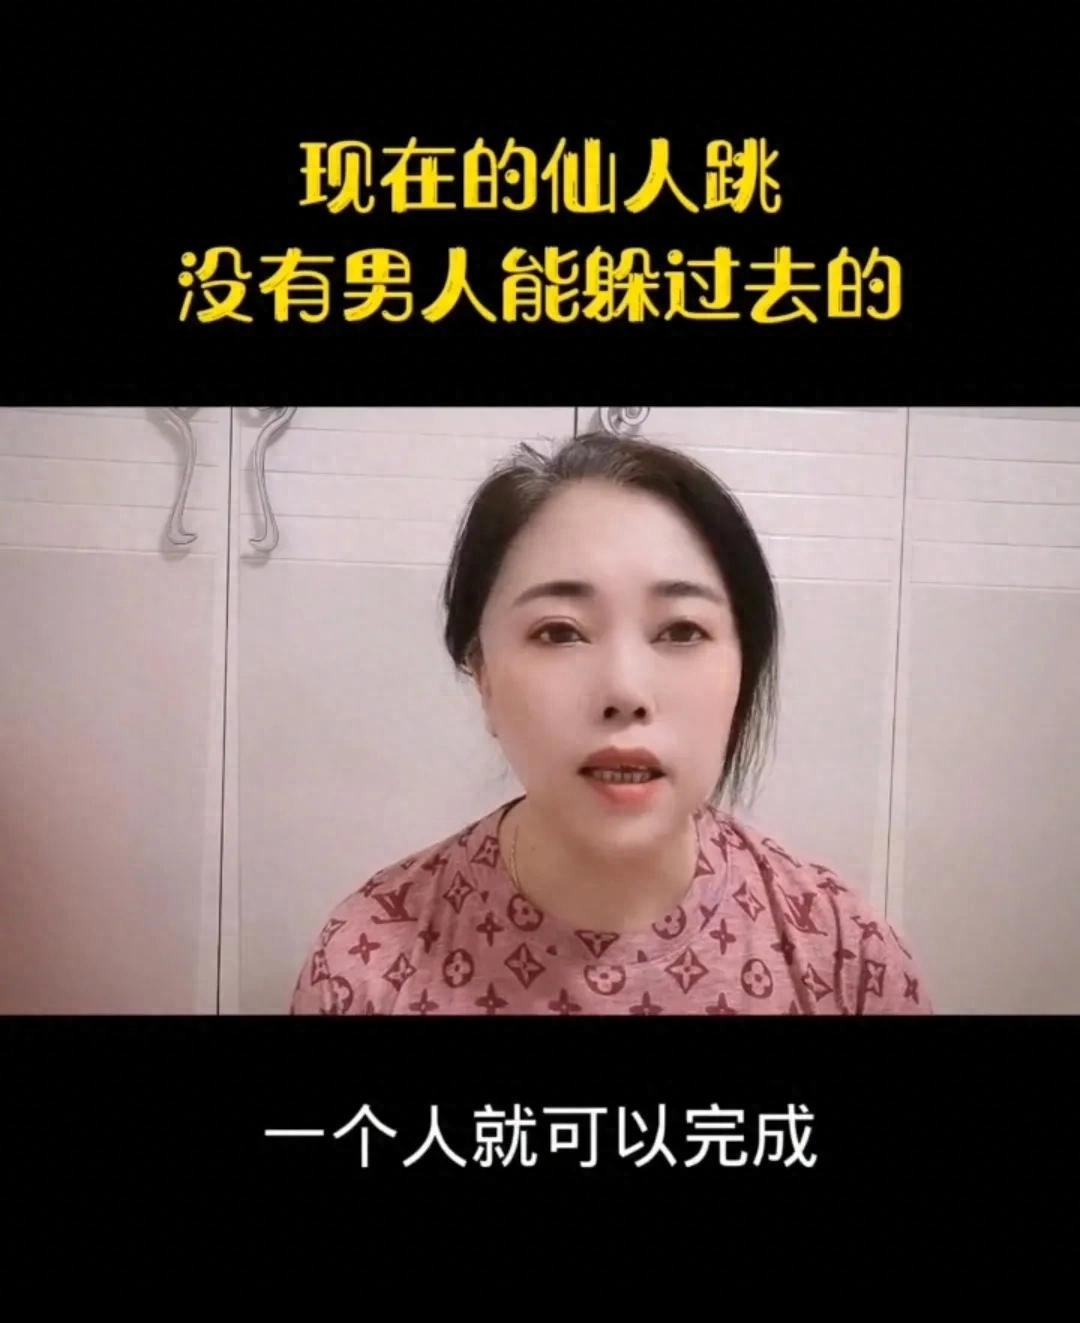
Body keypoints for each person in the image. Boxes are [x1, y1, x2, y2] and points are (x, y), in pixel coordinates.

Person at [291, 431, 930, 1016]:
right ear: (483, 676)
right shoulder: (368, 964)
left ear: (744, 670)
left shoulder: (846, 957)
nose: (625, 691)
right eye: (559, 632)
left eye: (682, 631)